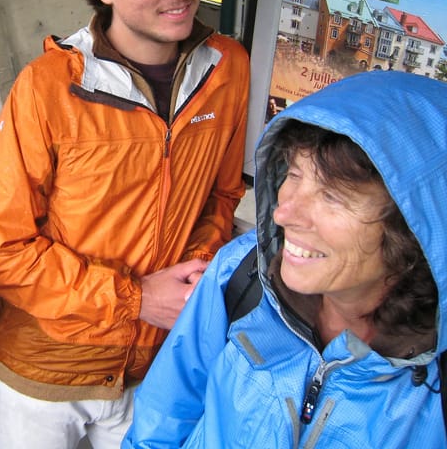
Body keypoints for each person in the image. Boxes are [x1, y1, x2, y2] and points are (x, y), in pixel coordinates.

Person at [0, 0, 249, 449]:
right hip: (47, 377)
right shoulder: (50, 89)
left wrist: (192, 275)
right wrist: (138, 298)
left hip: (156, 368)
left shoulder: (228, 70)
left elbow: (220, 196)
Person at [123, 70, 445, 448]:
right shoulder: (244, 274)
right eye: (293, 174)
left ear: (415, 229)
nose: (283, 213)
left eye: (332, 196)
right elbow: (164, 417)